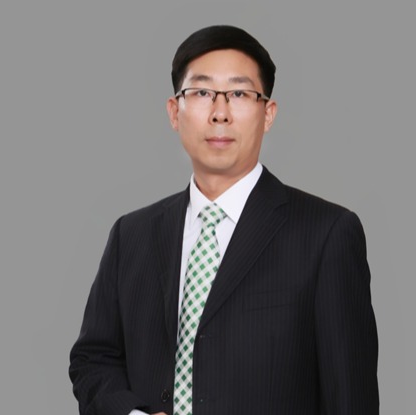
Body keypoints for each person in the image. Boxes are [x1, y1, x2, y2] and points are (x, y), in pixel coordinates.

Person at [69, 25, 379, 415]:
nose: (220, 113)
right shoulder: (132, 235)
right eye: (201, 93)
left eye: (239, 94)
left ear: (268, 114)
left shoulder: (326, 234)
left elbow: (349, 398)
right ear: (174, 112)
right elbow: (93, 359)